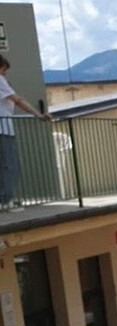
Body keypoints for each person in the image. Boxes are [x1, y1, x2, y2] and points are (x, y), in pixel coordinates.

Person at [0, 56, 53, 210]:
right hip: (3, 130)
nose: (5, 75)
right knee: (10, 165)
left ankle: (4, 199)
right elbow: (18, 101)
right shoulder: (0, 81)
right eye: (4, 71)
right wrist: (39, 115)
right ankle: (5, 200)